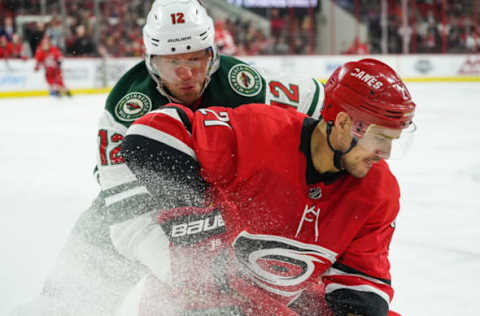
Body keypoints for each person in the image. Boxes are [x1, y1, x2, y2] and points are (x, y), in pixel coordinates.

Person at [14, 0, 324, 315]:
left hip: (228, 197)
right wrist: (187, 277)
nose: (186, 73)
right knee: (65, 298)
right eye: (171, 62)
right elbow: (127, 221)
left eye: (195, 59)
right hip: (145, 201)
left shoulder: (241, 83)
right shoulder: (126, 106)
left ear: (211, 55)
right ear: (150, 61)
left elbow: (322, 105)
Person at [118, 58, 416, 316]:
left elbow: (360, 286)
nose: (386, 153)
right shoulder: (260, 133)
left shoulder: (378, 192)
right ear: (342, 122)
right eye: (381, 138)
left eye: (392, 141)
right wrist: (200, 225)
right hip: (192, 302)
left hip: (272, 305)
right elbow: (148, 137)